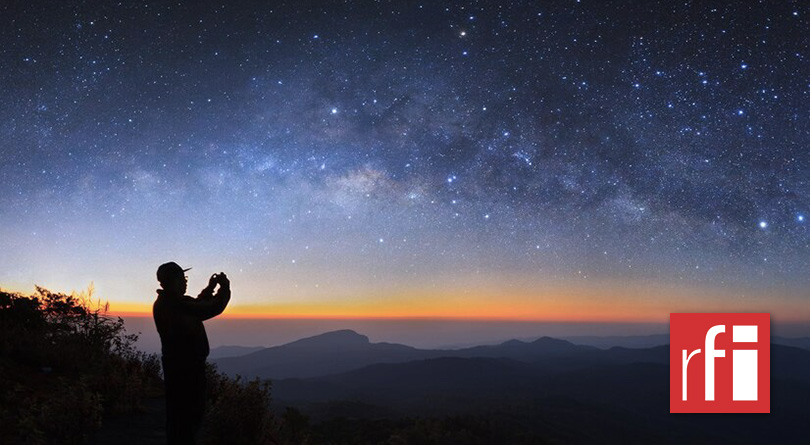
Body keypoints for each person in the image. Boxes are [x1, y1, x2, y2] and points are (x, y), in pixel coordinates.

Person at [153, 261, 231, 444]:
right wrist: (224, 288)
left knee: (178, 415)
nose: (186, 282)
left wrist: (210, 288)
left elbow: (197, 305)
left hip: (177, 365)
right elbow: (210, 308)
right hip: (187, 367)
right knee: (189, 415)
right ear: (175, 280)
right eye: (183, 278)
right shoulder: (176, 304)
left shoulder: (170, 302)